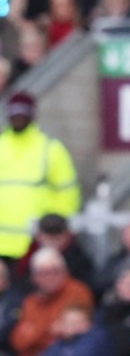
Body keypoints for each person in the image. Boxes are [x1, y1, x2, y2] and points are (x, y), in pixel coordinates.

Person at [0, 92, 80, 262]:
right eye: (14, 114)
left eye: (22, 114)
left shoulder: (50, 149)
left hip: (36, 243)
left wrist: (55, 230)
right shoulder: (1, 145)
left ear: (32, 115)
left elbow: (68, 194)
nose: (18, 118)